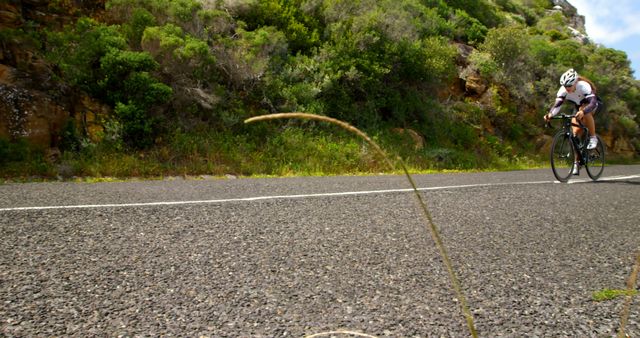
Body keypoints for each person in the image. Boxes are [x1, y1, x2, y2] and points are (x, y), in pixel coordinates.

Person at [544, 68, 600, 175]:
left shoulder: (583, 85)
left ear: (575, 82)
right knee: (574, 134)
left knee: (584, 111)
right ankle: (576, 163)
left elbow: (592, 103)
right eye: (565, 86)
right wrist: (550, 114)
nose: (567, 88)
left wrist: (583, 111)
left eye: (569, 86)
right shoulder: (563, 90)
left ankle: (593, 138)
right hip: (579, 107)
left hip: (591, 106)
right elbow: (557, 105)